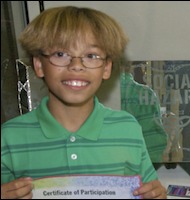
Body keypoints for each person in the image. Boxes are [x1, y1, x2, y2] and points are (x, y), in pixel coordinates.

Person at [1, 6, 167, 199]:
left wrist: (156, 195)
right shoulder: (9, 138)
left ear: (106, 68)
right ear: (39, 65)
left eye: (91, 56)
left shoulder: (128, 128)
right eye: (61, 54)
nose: (76, 66)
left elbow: (149, 188)